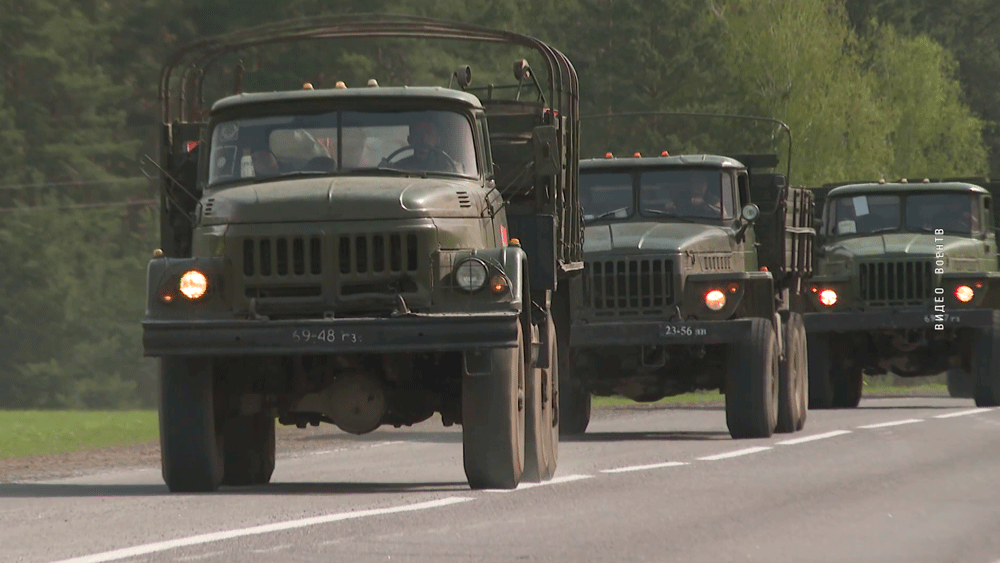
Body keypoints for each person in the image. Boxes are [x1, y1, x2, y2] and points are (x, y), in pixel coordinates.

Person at [393, 118, 457, 173]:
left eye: (429, 133)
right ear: (410, 139)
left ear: (438, 140)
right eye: (418, 134)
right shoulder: (398, 167)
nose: (423, 139)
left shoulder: (448, 168)